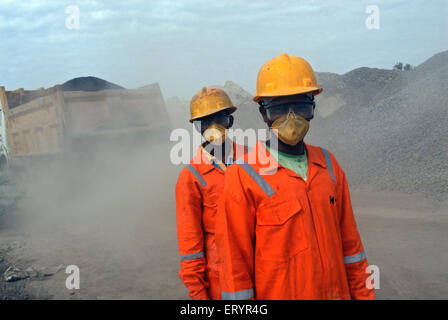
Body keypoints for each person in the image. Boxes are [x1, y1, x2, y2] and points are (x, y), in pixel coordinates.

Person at [216, 53, 375, 300]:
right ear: (263, 114)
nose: (291, 118)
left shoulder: (329, 165)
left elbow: (352, 248)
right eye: (279, 108)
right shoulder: (243, 175)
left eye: (300, 106)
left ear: (312, 108)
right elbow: (235, 266)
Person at [176, 87, 247, 300]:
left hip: (264, 273)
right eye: (205, 121)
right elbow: (191, 249)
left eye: (219, 117)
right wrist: (199, 296)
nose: (213, 126)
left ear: (230, 121)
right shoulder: (191, 177)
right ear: (197, 128)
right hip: (222, 283)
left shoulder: (256, 160)